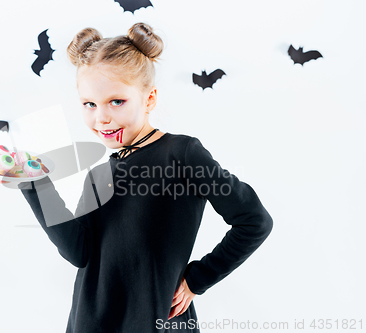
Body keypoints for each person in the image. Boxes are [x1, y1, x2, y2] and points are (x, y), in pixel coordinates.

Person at [19, 22, 273, 333]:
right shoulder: (100, 173)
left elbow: (254, 221)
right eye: (89, 104)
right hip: (91, 323)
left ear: (149, 99)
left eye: (117, 101)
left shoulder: (182, 154)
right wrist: (34, 183)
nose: (102, 118)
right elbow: (79, 253)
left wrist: (198, 278)